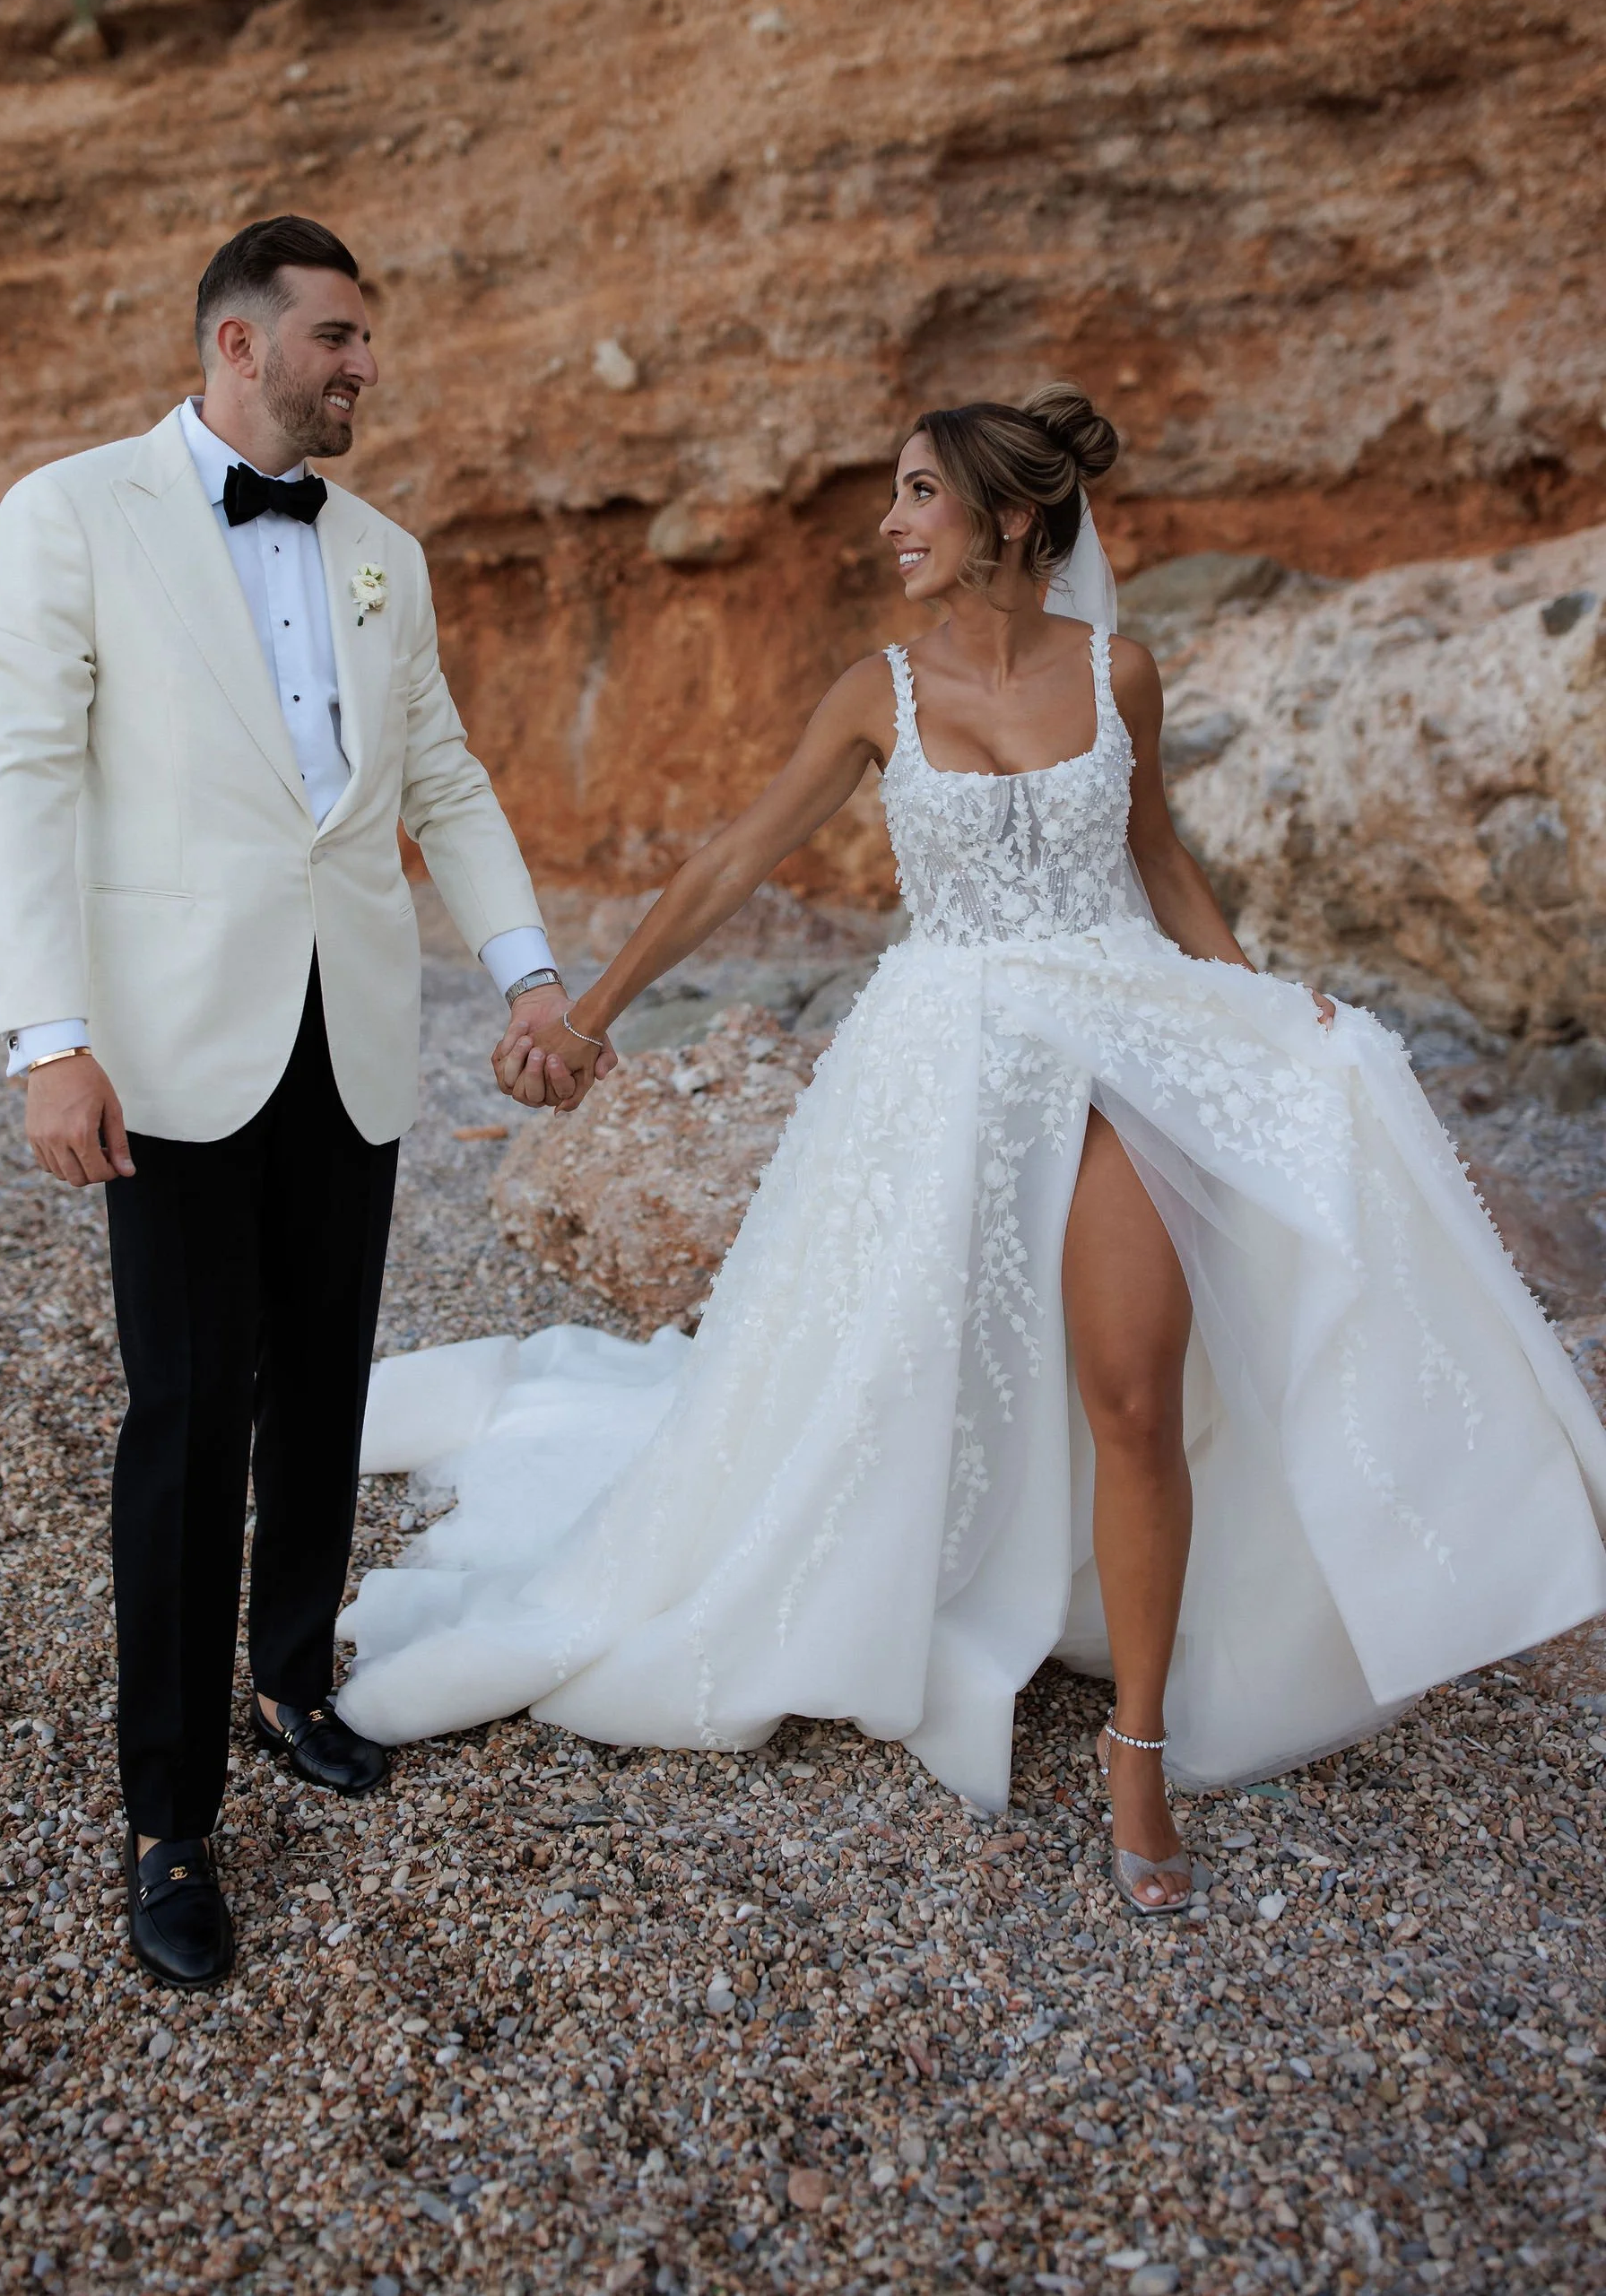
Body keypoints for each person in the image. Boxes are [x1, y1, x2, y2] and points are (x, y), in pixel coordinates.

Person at [337, 386, 1606, 1917]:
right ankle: (922, 1580)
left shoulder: (1119, 672)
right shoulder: (877, 692)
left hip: (1129, 1033)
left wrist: (1270, 1004)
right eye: (895, 493)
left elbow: (1158, 859)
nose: (892, 520)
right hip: (944, 1061)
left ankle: (1138, 1745)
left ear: (1009, 518)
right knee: (891, 1376)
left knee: (1134, 1385)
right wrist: (592, 1010)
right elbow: (740, 854)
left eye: (918, 493)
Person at [0, 216, 587, 1987]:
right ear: (236, 343)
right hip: (161, 1045)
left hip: (352, 1033)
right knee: (182, 1414)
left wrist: (526, 965)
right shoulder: (70, 515)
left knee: (322, 1383)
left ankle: (291, 1672)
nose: (362, 365)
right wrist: (46, 1035)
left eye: (367, 339)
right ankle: (167, 1813)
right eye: (335, 336)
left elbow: (443, 776)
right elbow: (15, 788)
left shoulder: (383, 551)